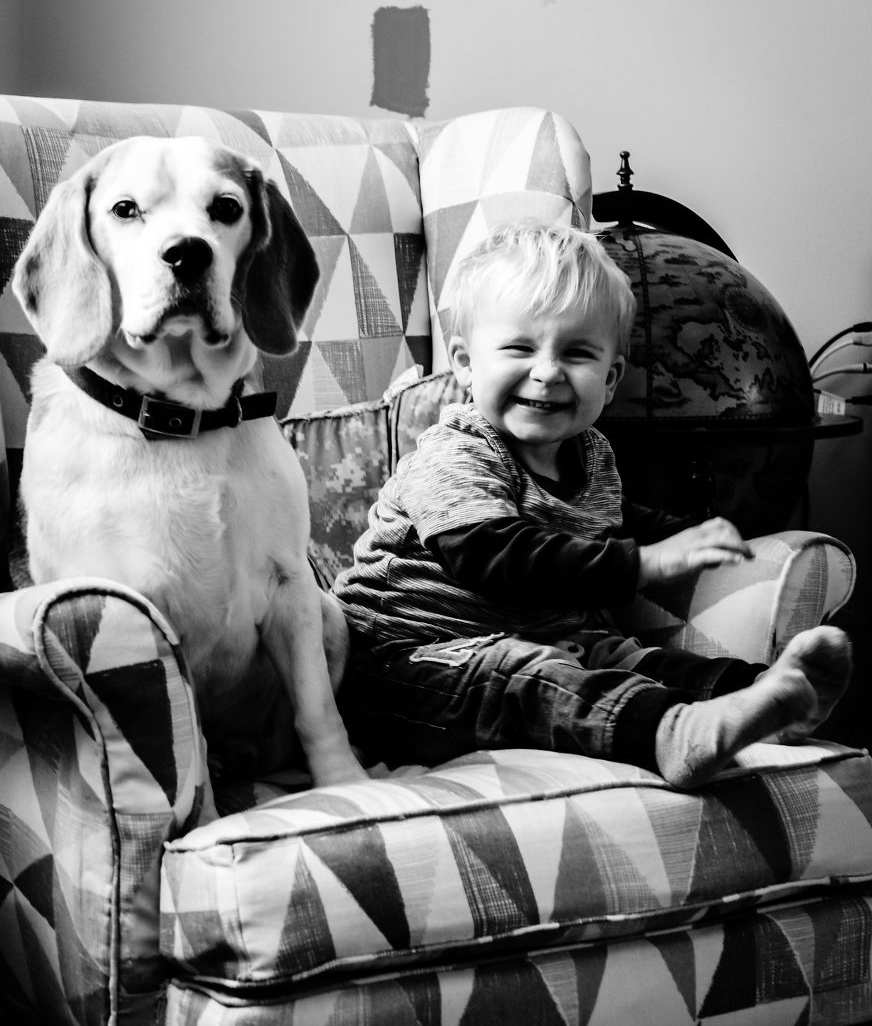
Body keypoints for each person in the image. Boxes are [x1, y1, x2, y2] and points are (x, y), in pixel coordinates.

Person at [332, 221, 851, 788]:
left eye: (577, 353)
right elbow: (496, 557)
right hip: (408, 665)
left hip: (541, 640)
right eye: (519, 347)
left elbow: (620, 519)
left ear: (610, 379)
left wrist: (693, 536)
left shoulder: (591, 453)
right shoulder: (453, 454)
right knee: (530, 678)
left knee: (626, 656)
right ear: (463, 361)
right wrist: (642, 564)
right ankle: (673, 735)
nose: (548, 371)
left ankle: (765, 698)